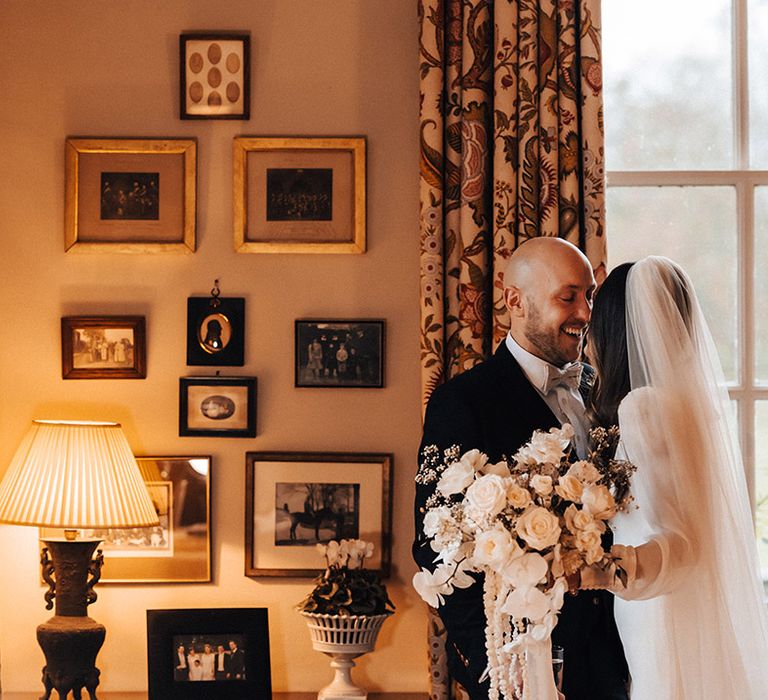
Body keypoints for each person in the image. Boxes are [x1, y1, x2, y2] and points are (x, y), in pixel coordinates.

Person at [414, 237, 628, 699]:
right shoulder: (464, 402)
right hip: (520, 662)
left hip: (612, 656)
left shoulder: (604, 392)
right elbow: (437, 545)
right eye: (567, 297)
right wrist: (498, 663)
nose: (587, 314)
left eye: (590, 296)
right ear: (515, 301)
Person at [582, 256, 768, 698]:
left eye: (595, 323)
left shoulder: (644, 409)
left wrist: (602, 569)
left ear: (614, 330)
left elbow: (683, 542)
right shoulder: (687, 408)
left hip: (660, 617)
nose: (587, 340)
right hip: (662, 610)